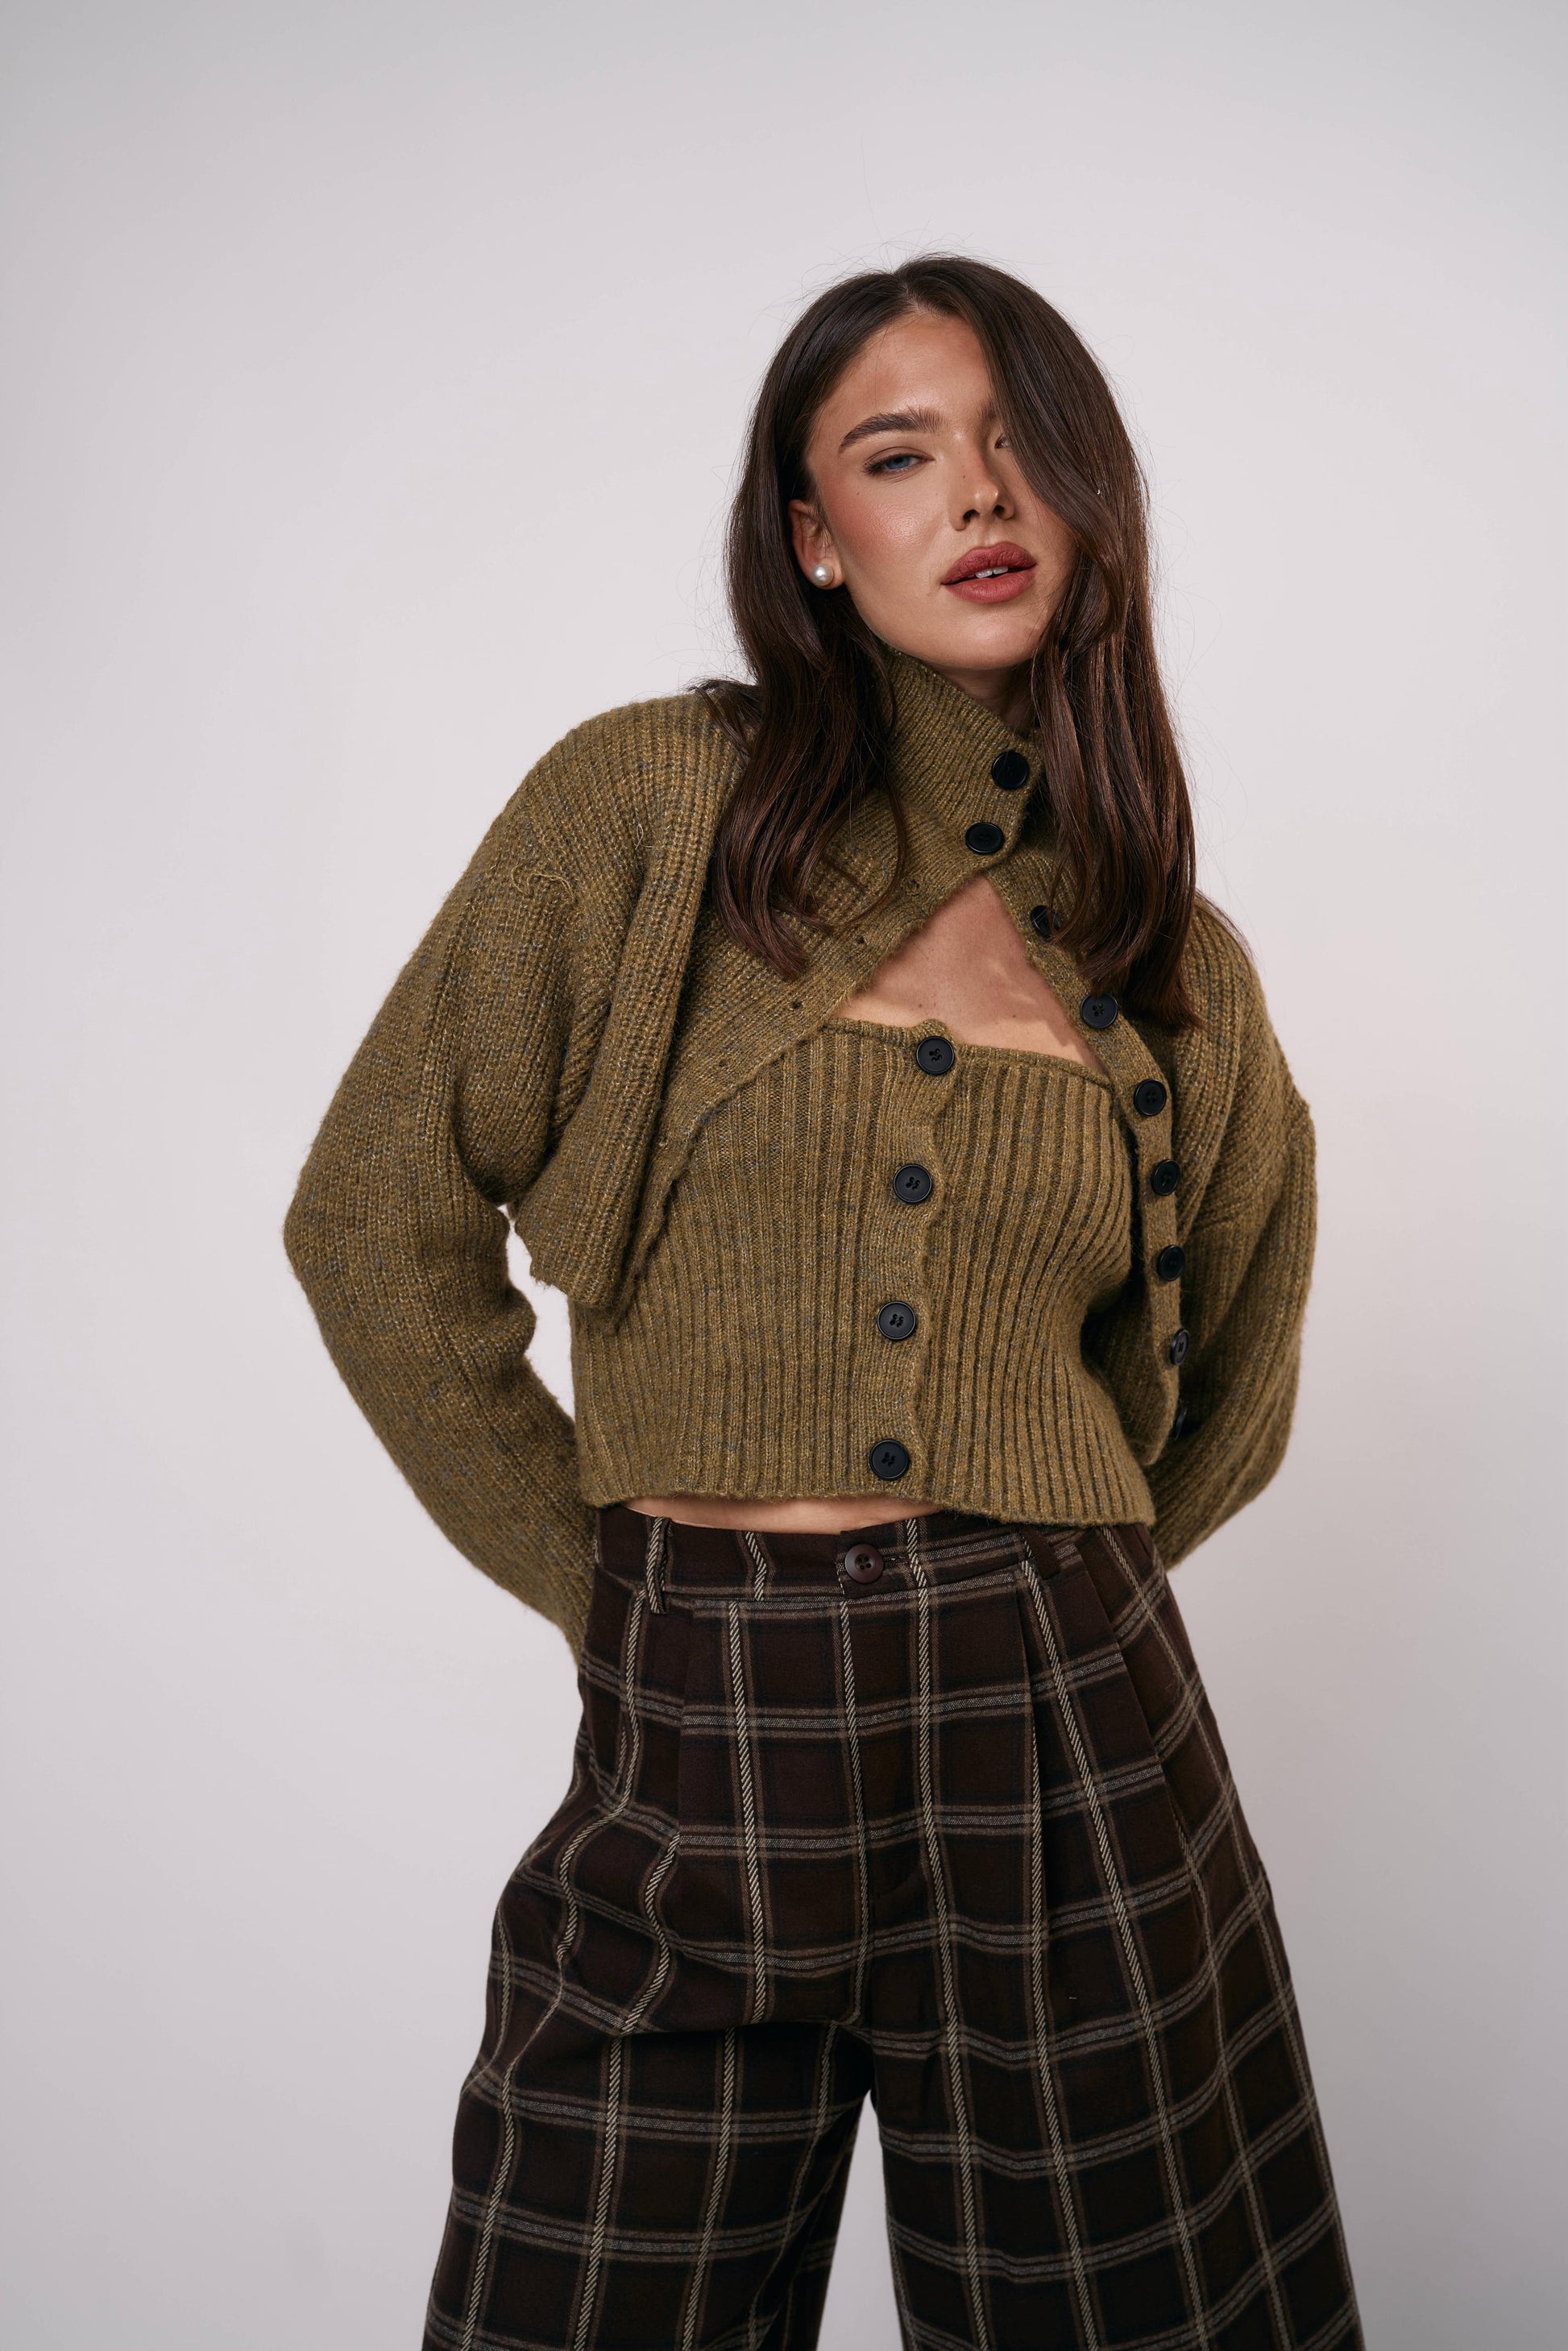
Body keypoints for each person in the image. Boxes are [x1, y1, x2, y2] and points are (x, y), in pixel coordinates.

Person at [286, 255, 1362, 2351]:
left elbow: (1234, 1373)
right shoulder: (648, 807)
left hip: (1067, 1737)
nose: (979, 497)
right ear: (811, 536)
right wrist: (609, 1586)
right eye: (898, 454)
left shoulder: (1166, 958)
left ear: (1092, 501)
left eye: (1021, 449)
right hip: (696, 1715)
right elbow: (373, 1218)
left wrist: (1052, 1596)